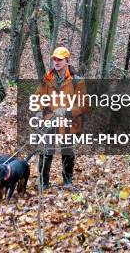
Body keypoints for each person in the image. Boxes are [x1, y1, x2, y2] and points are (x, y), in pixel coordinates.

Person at [35, 47, 87, 189]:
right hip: (50, 120)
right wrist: (39, 112)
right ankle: (43, 183)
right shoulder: (48, 78)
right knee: (46, 152)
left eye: (60, 59)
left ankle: (67, 182)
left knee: (67, 152)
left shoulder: (77, 81)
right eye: (55, 59)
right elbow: (38, 97)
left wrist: (67, 110)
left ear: (67, 61)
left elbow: (83, 105)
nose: (56, 62)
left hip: (69, 122)